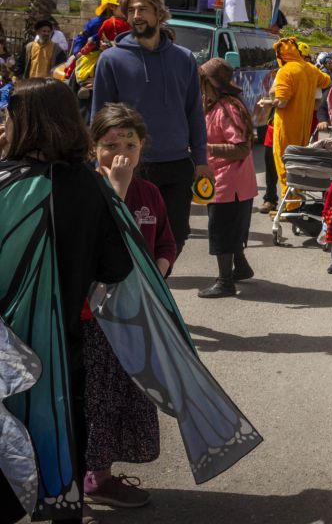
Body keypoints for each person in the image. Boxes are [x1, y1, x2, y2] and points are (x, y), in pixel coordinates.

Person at [0, 80, 261, 524]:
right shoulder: (90, 189)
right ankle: (63, 501)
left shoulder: (5, 182)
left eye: (9, 117)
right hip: (64, 339)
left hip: (7, 343)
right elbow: (116, 268)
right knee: (63, 415)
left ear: (26, 124)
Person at [85, 103, 177, 512]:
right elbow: (95, 243)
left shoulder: (151, 193)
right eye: (109, 144)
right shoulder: (84, 189)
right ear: (92, 147)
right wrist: (116, 190)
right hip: (95, 318)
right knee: (94, 396)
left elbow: (166, 243)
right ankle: (90, 477)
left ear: (144, 148)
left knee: (126, 392)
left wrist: (159, 268)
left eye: (130, 143)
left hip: (138, 314)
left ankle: (100, 474)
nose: (120, 152)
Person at [90, 0, 213, 257]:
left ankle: (157, 285)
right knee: (133, 235)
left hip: (177, 163)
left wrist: (201, 159)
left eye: (142, 9)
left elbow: (194, 112)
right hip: (130, 165)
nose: (136, 15)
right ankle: (140, 292)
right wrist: (99, 161)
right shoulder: (111, 59)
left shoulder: (184, 59)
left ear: (159, 14)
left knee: (176, 236)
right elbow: (99, 115)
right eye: (131, 10)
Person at [197, 58, 258, 298]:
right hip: (228, 182)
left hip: (230, 183)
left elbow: (242, 148)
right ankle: (241, 267)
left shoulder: (227, 108)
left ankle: (225, 282)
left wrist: (207, 148)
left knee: (222, 231)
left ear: (211, 83)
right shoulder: (217, 105)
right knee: (232, 229)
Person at [258, 37, 331, 211]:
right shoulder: (311, 70)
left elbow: (281, 100)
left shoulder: (286, 71)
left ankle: (290, 206)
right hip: (303, 127)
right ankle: (289, 201)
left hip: (285, 126)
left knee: (284, 165)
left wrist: (268, 102)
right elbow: (326, 82)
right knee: (297, 165)